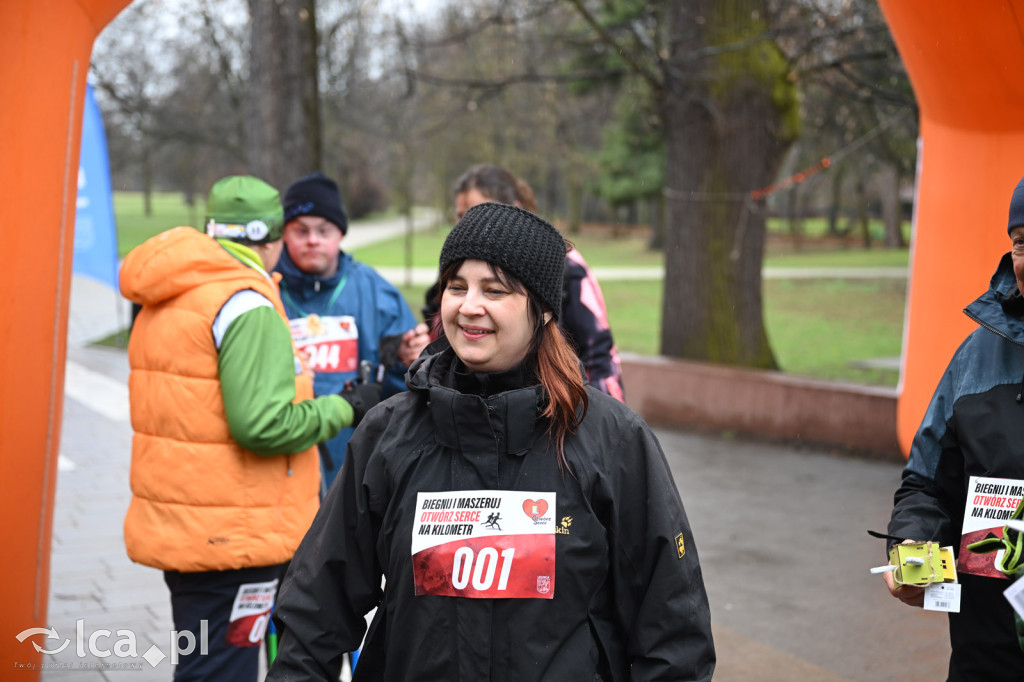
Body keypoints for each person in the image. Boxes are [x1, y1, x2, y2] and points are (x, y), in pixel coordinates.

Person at [267, 202, 715, 681]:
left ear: (542, 309)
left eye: (494, 290)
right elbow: (316, 611)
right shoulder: (387, 434)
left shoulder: (614, 441)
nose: (468, 306)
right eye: (456, 287)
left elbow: (672, 631)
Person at [119, 175, 381, 682]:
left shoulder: (172, 292)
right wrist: (345, 408)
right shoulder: (245, 302)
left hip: (193, 527)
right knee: (224, 670)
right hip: (238, 538)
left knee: (206, 664)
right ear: (276, 237)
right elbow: (263, 425)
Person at [883, 175, 1024, 679]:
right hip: (986, 656)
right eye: (1022, 241)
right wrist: (913, 544)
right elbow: (925, 485)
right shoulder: (975, 358)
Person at [276, 172, 430, 492]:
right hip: (279, 467)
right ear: (284, 235)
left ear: (340, 234)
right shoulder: (264, 290)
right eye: (300, 230)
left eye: (323, 230)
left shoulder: (376, 293)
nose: (312, 240)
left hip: (355, 470)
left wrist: (406, 359)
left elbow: (407, 395)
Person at [423, 163, 626, 401]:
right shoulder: (459, 261)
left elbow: (599, 352)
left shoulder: (565, 266)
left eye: (495, 290)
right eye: (461, 216)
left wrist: (598, 417)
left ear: (515, 208)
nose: (469, 224)